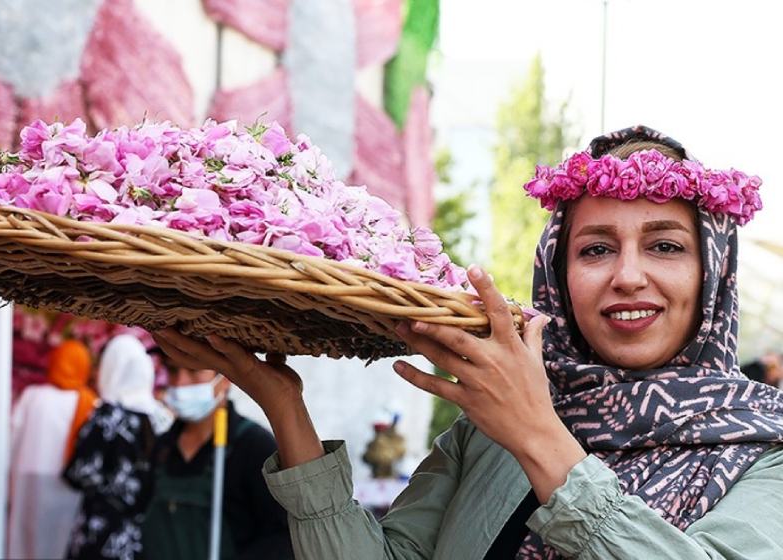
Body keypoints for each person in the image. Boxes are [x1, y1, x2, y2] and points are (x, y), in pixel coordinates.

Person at [153, 126, 783, 559]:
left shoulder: (767, 450)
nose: (626, 275)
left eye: (665, 246)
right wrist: (285, 407)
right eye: (594, 249)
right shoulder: (487, 429)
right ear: (559, 278)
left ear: (712, 274)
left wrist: (537, 435)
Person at [141, 359, 294, 560]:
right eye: (172, 371)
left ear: (225, 378)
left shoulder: (255, 447)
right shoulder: (162, 448)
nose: (180, 383)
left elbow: (283, 537)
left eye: (193, 370)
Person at [63, 334, 172, 560]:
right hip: (143, 538)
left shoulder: (107, 416)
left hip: (102, 535)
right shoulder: (161, 419)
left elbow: (79, 472)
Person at [8, 340, 95, 560]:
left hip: (28, 479)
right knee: (61, 542)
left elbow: (12, 435)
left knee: (25, 539)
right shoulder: (88, 402)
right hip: (67, 483)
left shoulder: (33, 395)